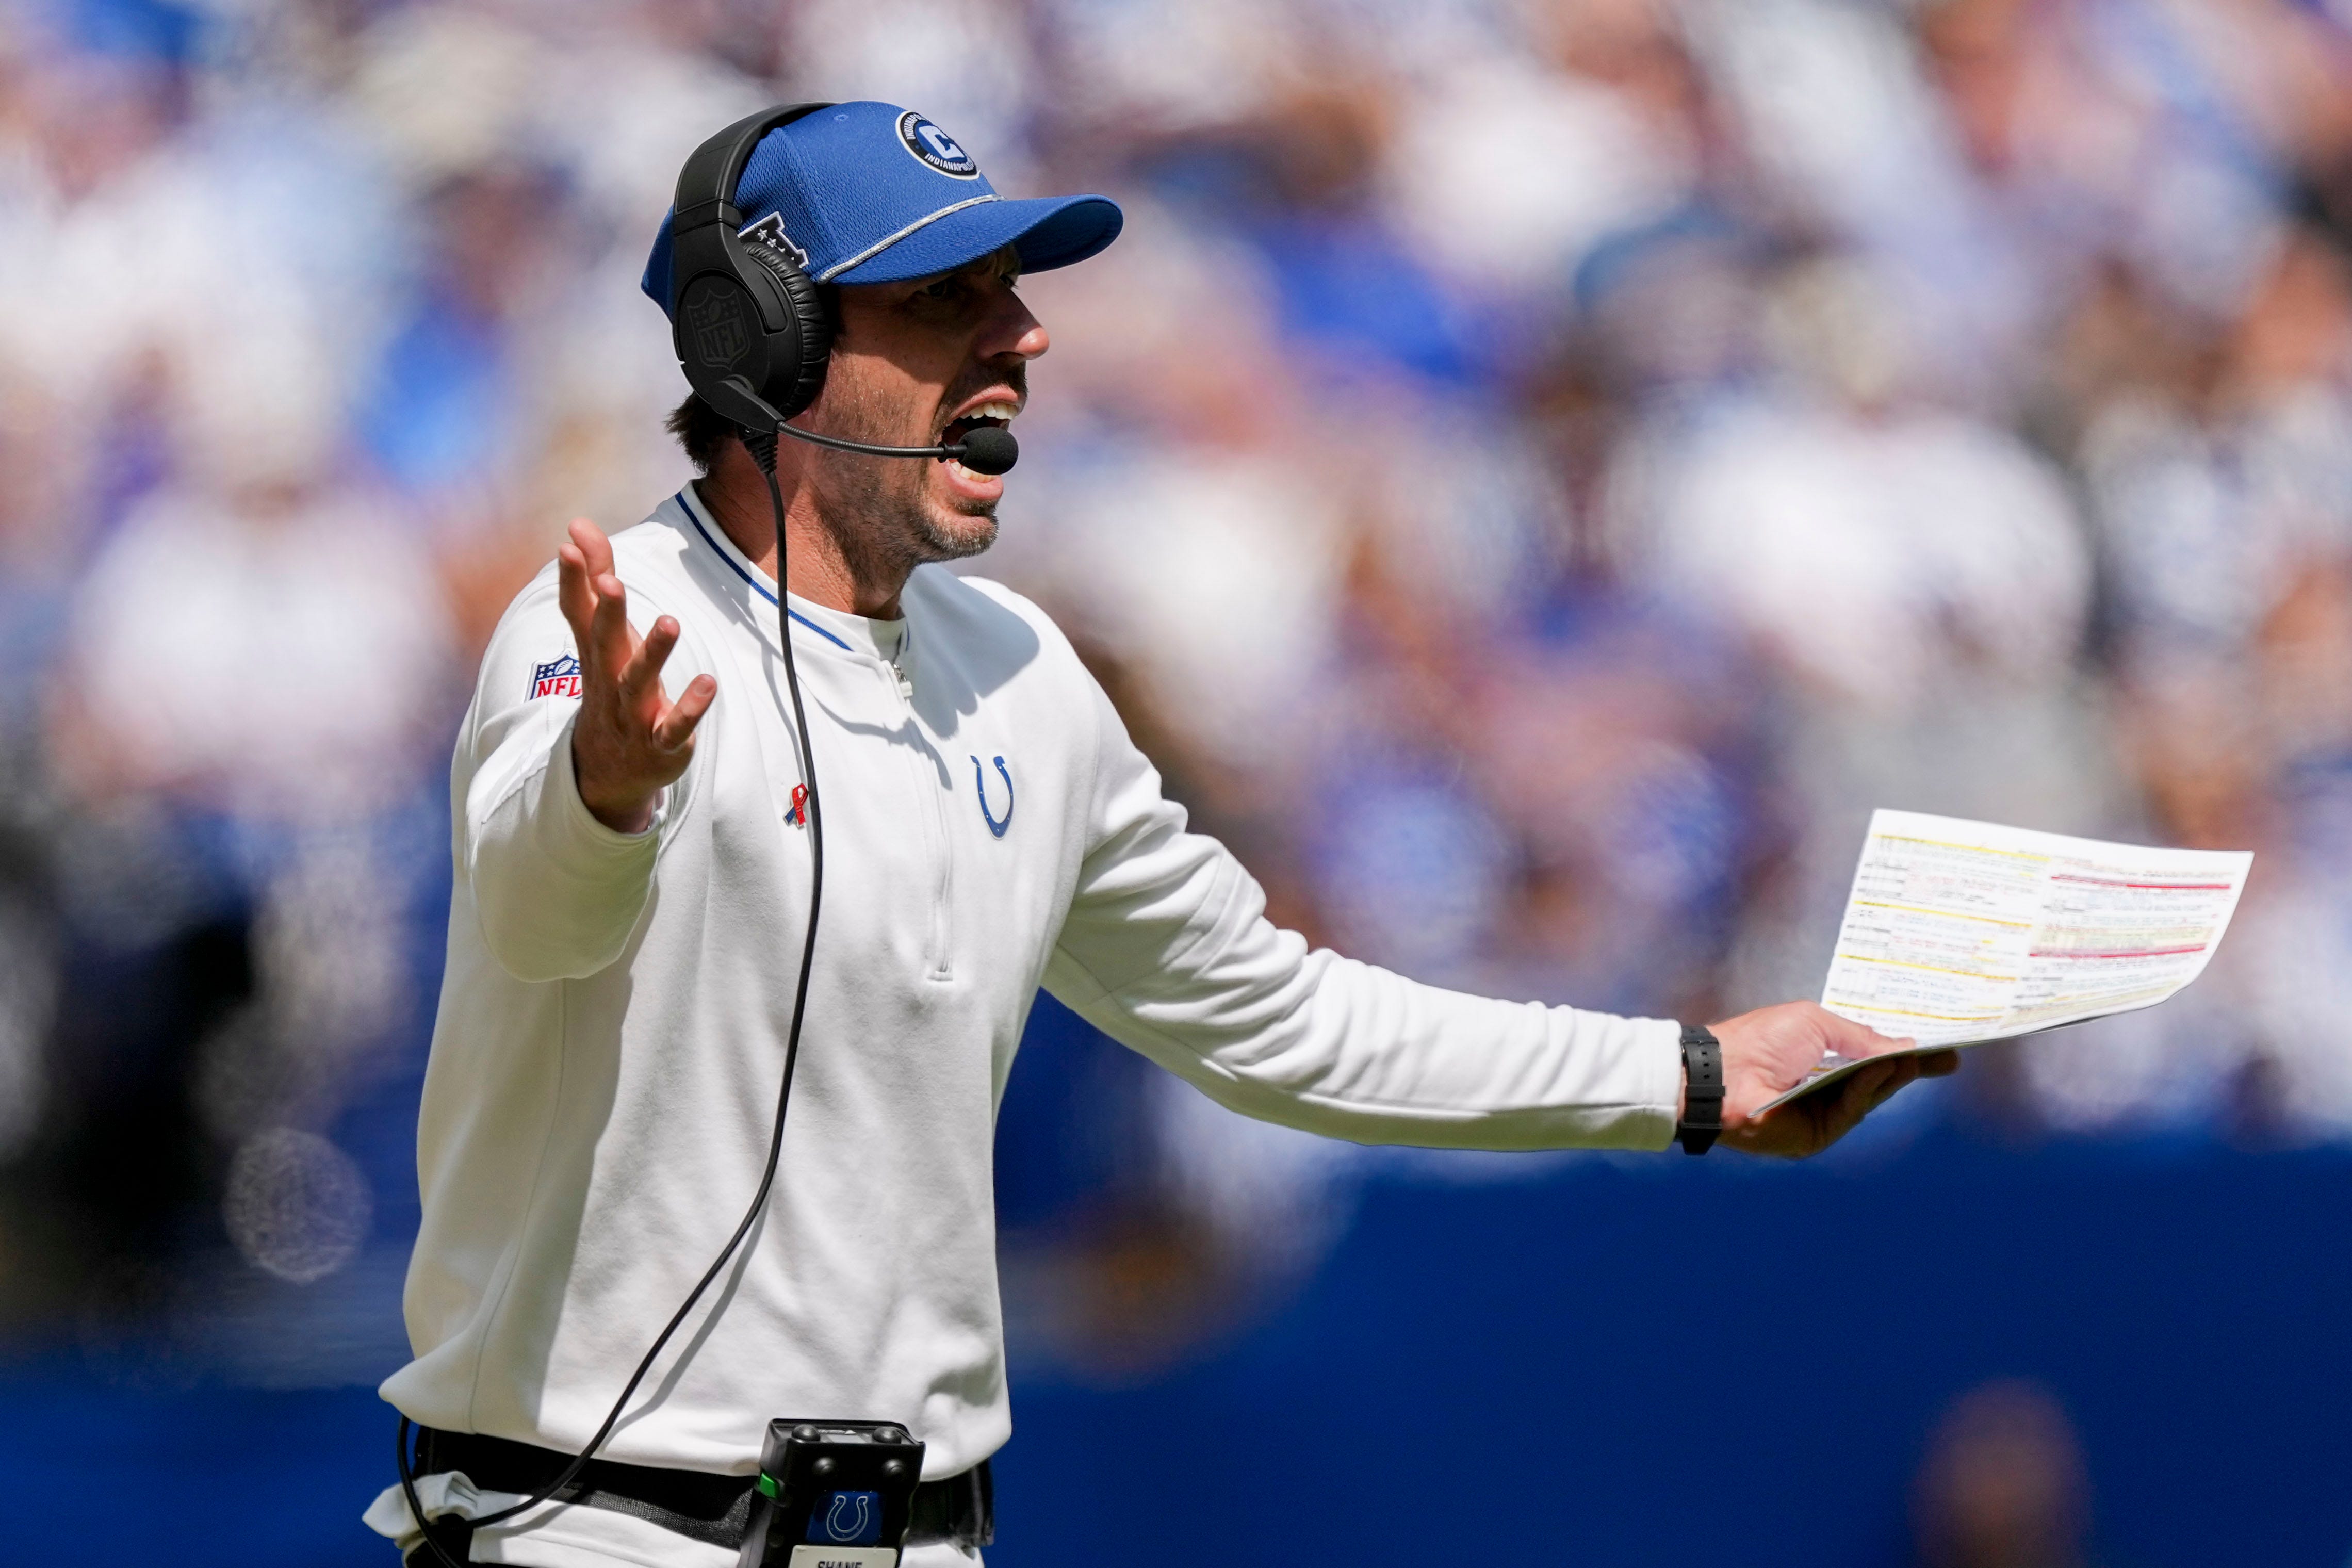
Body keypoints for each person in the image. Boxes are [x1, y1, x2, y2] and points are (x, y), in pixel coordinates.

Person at [367, 100, 1956, 1568]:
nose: (1024, 337)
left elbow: (1276, 1019)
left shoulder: (1025, 677)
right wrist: (611, 784)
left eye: (1011, 292)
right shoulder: (610, 625)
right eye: (947, 301)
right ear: (759, 342)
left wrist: (1690, 1078)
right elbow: (535, 910)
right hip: (593, 1534)